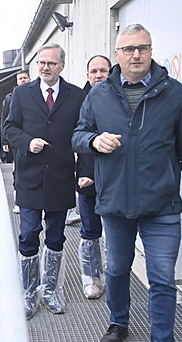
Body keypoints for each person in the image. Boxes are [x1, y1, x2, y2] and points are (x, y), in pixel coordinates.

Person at [72, 23, 182, 342]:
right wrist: (93, 140)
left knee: (162, 279)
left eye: (144, 48)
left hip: (161, 205)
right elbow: (78, 134)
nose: (137, 54)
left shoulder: (173, 93)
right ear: (117, 54)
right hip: (116, 204)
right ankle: (119, 323)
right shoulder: (99, 95)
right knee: (116, 268)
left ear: (152, 52)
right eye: (129, 49)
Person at [3, 42, 86, 319]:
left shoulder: (75, 96)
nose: (45, 67)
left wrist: (83, 169)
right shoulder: (21, 94)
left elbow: (83, 133)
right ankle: (28, 295)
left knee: (55, 237)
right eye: (41, 63)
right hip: (29, 178)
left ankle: (50, 291)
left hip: (60, 178)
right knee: (28, 234)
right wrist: (27, 142)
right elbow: (9, 128)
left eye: (51, 63)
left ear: (61, 65)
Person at [76, 54, 112, 299]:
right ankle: (92, 278)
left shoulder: (118, 98)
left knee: (116, 230)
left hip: (114, 178)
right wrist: (85, 172)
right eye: (94, 71)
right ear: (87, 75)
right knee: (90, 230)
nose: (98, 75)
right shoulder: (80, 100)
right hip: (87, 178)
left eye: (103, 70)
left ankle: (114, 275)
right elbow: (80, 138)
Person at [0, 70, 31, 213]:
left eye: (25, 78)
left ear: (30, 79)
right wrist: (4, 141)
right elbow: (5, 119)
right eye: (20, 78)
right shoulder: (9, 98)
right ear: (17, 81)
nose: (23, 80)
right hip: (17, 140)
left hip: (34, 138)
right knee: (18, 169)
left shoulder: (36, 95)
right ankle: (19, 200)